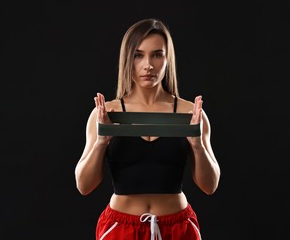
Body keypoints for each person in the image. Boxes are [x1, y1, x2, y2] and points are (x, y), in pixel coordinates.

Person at [75, 18, 220, 240]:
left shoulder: (190, 113)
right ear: (127, 58)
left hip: (178, 226)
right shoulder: (106, 112)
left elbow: (210, 186)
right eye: (138, 55)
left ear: (167, 58)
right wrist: (101, 142)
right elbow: (84, 186)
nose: (148, 65)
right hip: (120, 227)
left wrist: (197, 145)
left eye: (157, 54)